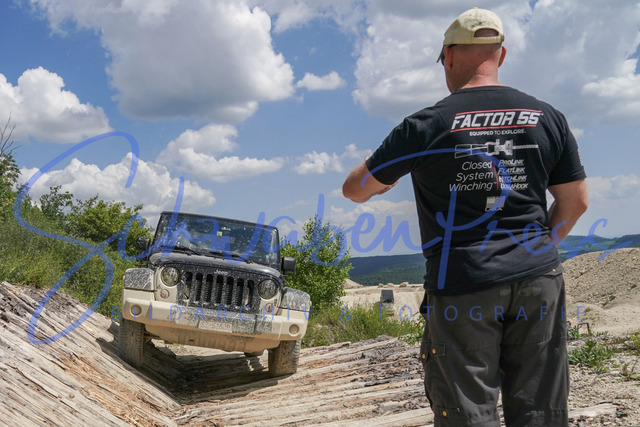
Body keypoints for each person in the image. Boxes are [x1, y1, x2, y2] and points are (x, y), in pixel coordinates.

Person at [342, 7, 587, 427]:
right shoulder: (547, 117)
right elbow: (576, 201)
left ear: (450, 56)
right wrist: (537, 250)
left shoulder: (426, 124)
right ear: (501, 55)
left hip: (463, 281)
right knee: (541, 408)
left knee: (467, 411)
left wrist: (383, 183)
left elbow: (354, 189)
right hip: (538, 279)